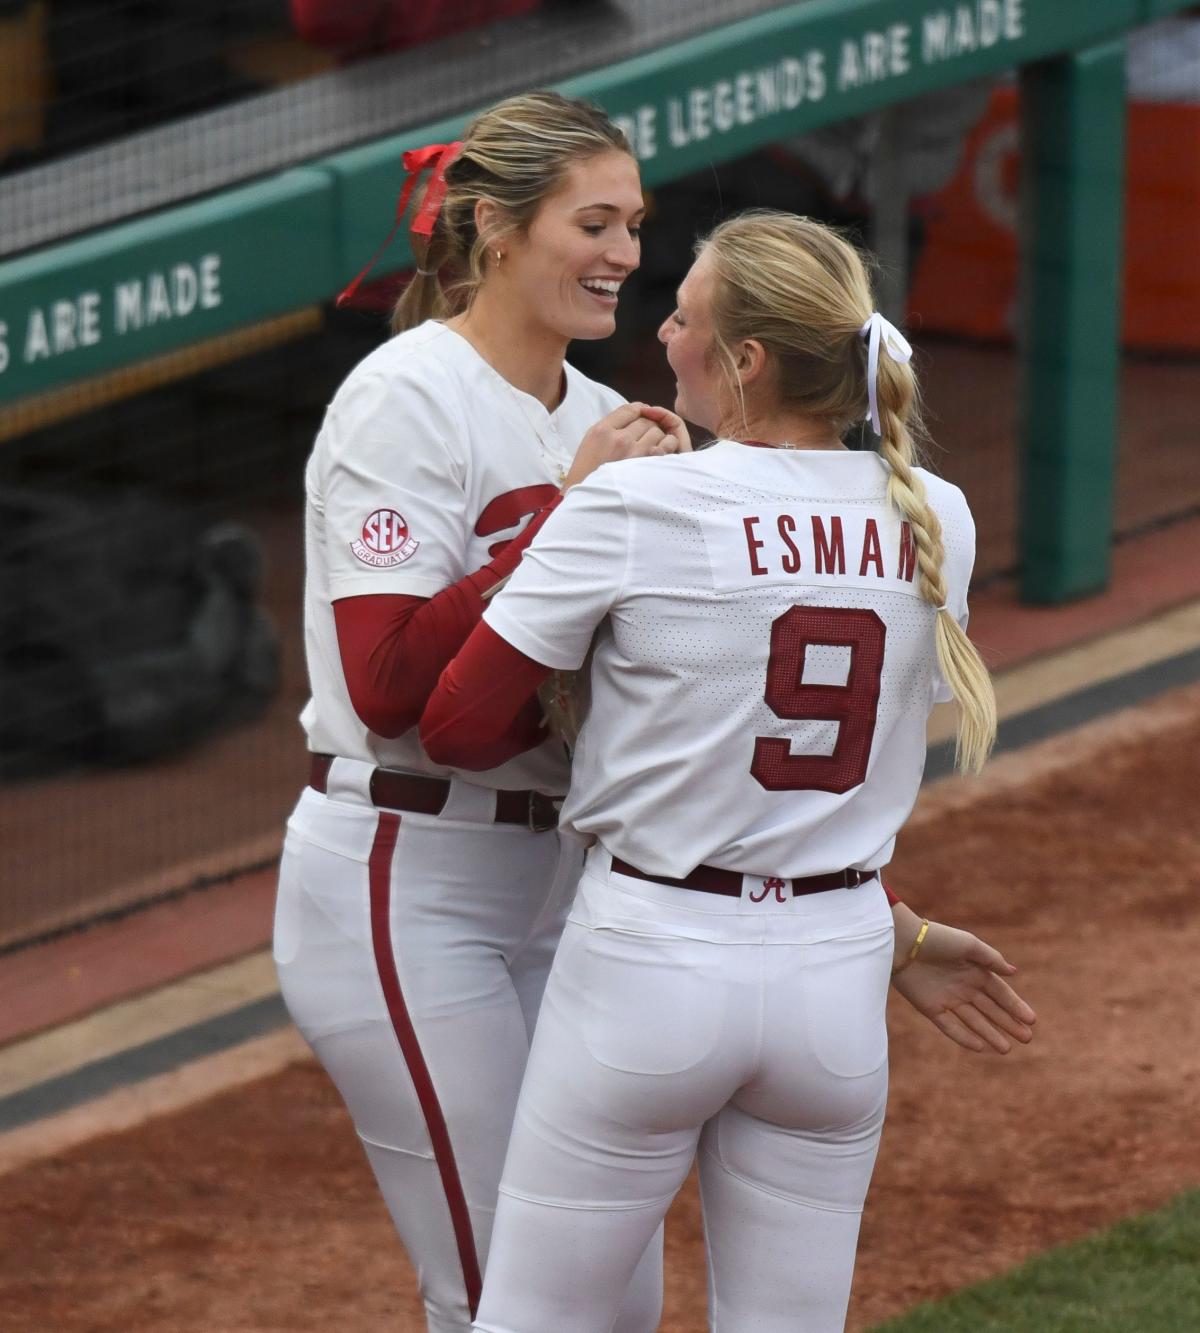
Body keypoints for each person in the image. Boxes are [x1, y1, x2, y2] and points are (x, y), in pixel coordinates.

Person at [420, 209, 1037, 1331]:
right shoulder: (935, 515)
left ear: (745, 362)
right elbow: (784, 768)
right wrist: (897, 932)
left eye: (687, 317)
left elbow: (457, 724)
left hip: (647, 968)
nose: (661, 334)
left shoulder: (633, 503)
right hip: (838, 976)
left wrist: (569, 548)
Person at [272, 90, 687, 1333]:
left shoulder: (582, 413)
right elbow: (387, 685)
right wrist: (574, 516)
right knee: (507, 1294)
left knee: (614, 1292)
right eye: (595, 221)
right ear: (499, 233)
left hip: (559, 883)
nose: (625, 252)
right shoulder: (409, 396)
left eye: (634, 224)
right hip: (411, 876)